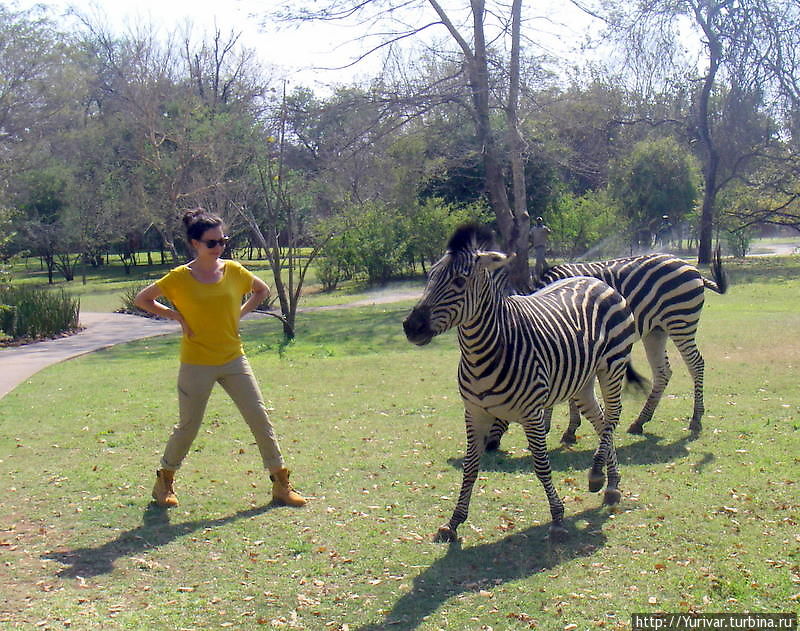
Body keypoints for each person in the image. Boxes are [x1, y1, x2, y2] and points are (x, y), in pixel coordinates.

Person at [134, 208, 307, 508]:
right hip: (196, 363)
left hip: (233, 359)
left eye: (223, 241)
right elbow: (142, 299)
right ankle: (164, 482)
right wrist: (175, 315)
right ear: (195, 243)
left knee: (259, 417)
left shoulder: (234, 271)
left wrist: (238, 314)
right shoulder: (179, 277)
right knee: (188, 426)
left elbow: (261, 290)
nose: (219, 247)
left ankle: (281, 484)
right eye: (212, 242)